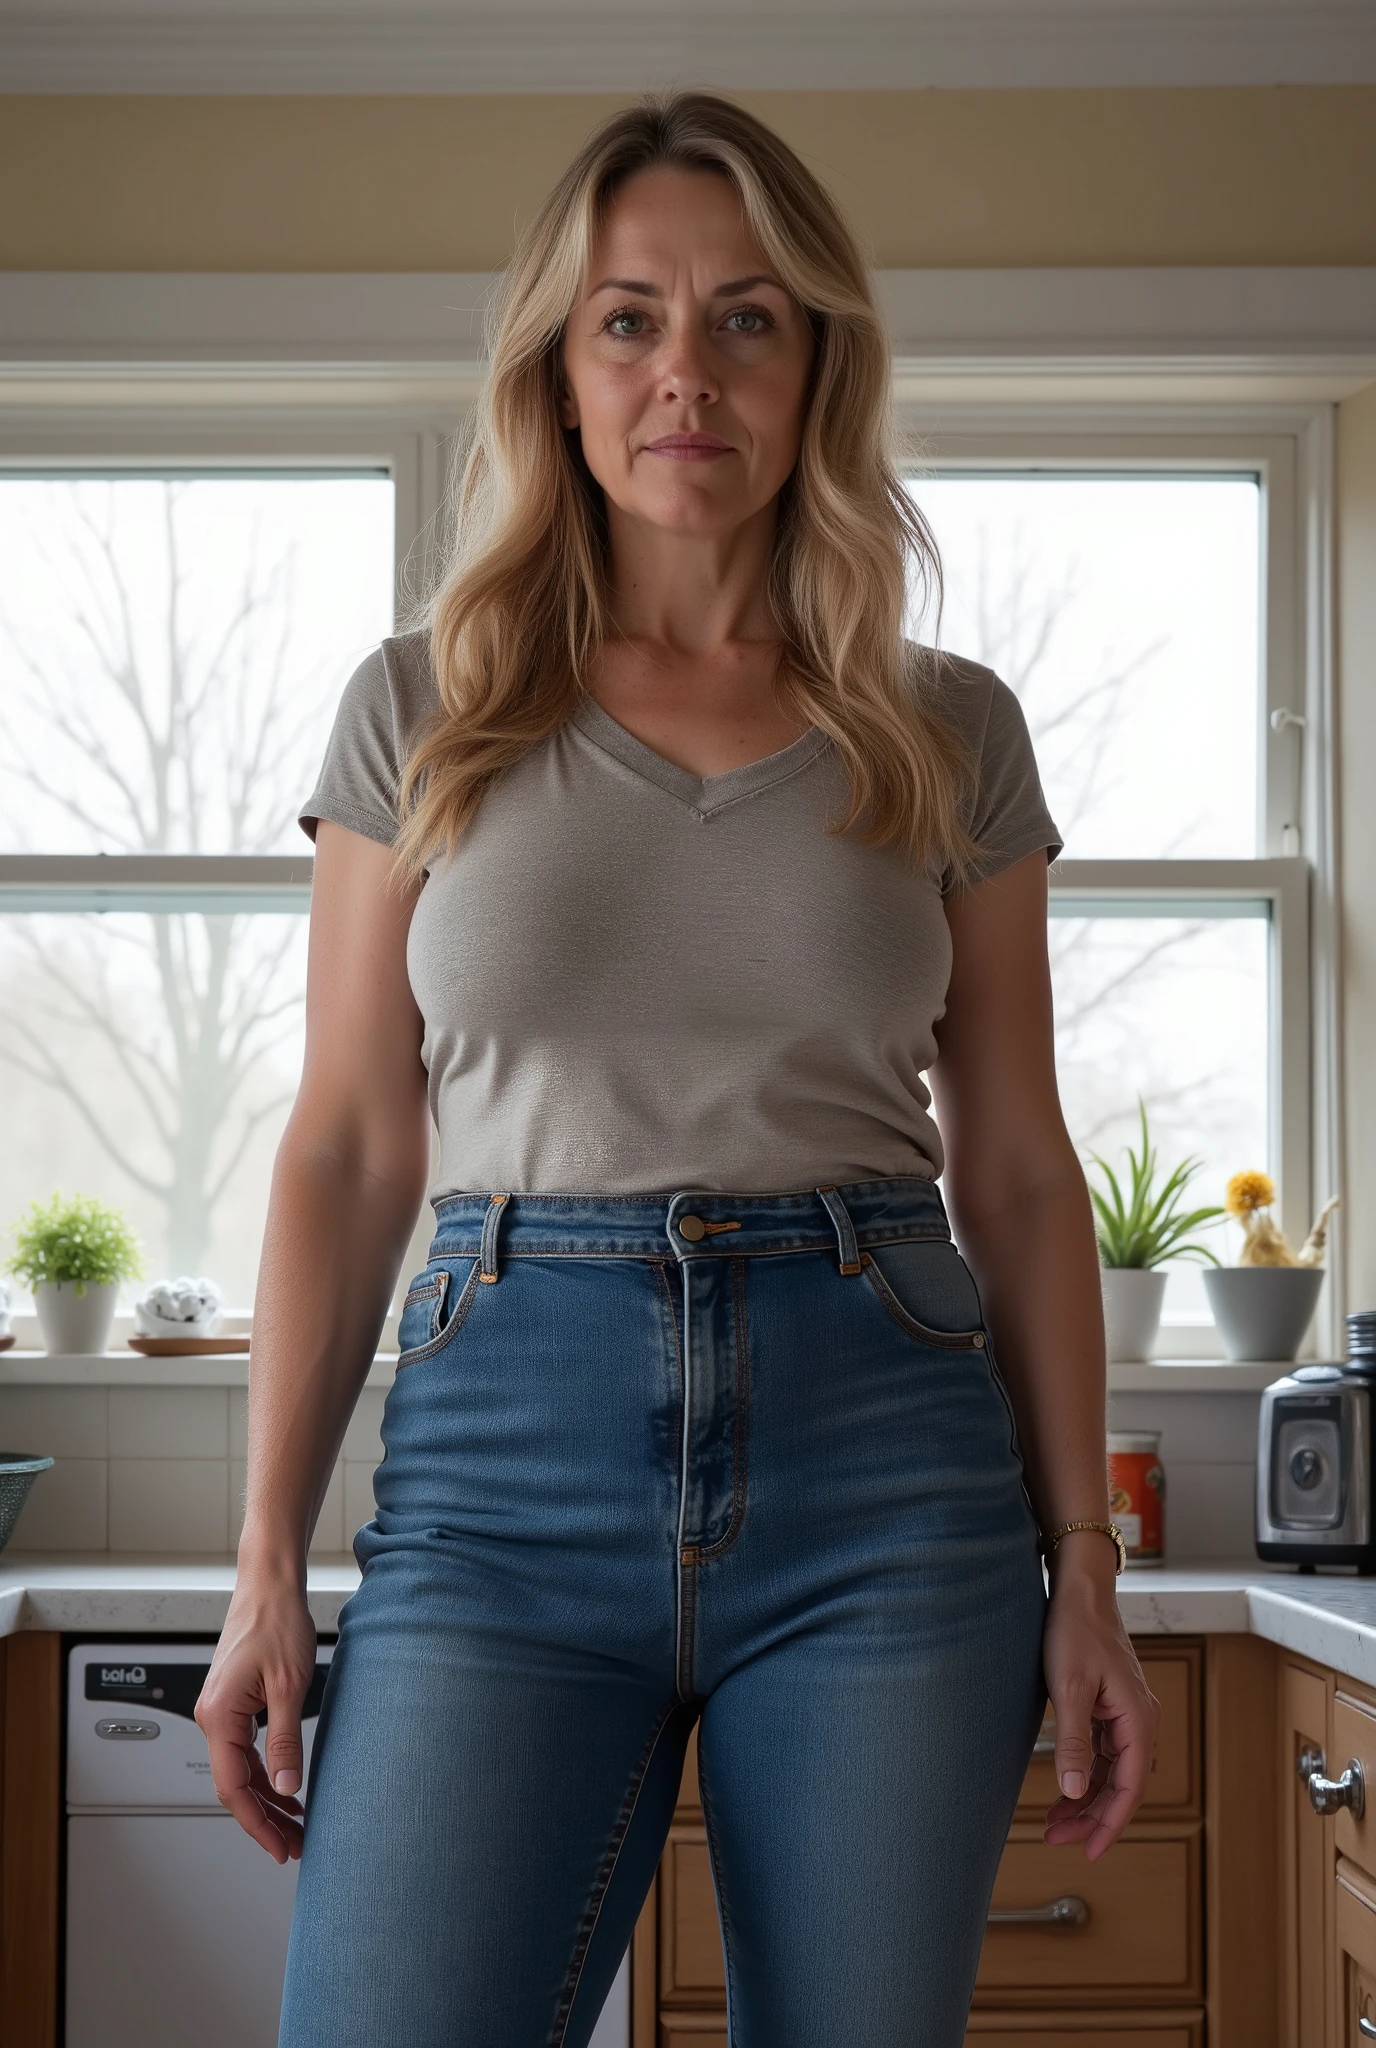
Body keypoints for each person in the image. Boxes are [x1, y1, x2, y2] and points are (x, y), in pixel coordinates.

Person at [195, 88, 1158, 2048]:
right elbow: (353, 1149)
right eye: (628, 317)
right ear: (556, 366)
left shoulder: (942, 730)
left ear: (817, 365)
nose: (684, 373)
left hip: (885, 1462)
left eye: (746, 318)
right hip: (499, 1472)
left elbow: (1026, 1171)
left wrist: (1085, 1561)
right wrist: (263, 1563)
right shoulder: (424, 708)